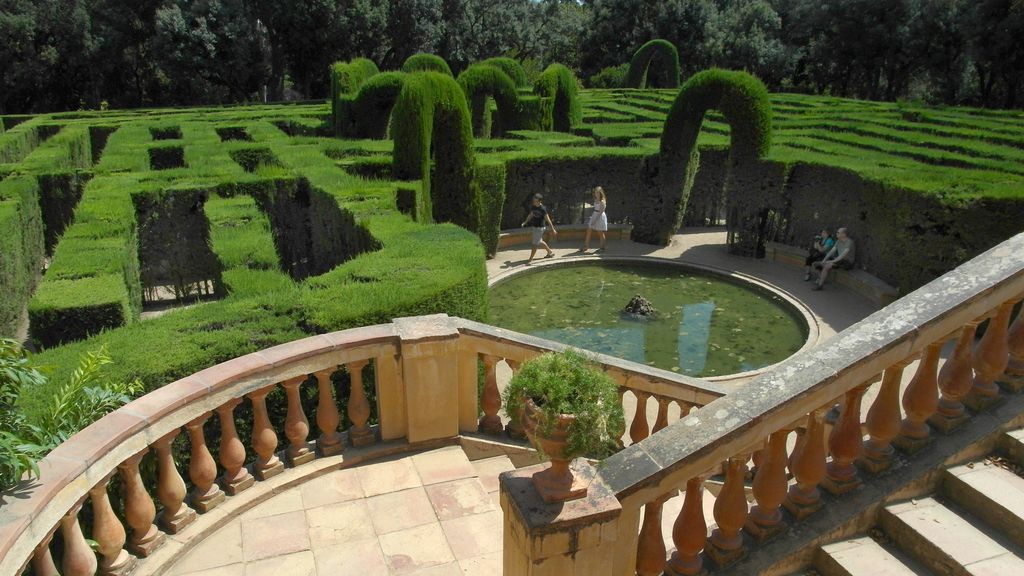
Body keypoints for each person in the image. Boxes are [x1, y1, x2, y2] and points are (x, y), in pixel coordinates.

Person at [522, 193, 557, 264]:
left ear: (539, 201)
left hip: (540, 228)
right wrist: (525, 222)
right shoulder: (533, 206)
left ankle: (530, 259)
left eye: (535, 201)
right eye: (533, 200)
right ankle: (550, 252)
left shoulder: (542, 209)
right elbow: (531, 214)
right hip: (535, 227)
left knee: (535, 244)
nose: (534, 202)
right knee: (539, 241)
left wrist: (553, 229)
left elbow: (548, 220)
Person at [583, 186, 608, 252]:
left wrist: (595, 220)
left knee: (600, 232)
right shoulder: (595, 199)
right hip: (595, 214)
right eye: (595, 192)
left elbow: (600, 212)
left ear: (600, 193)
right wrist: (592, 218)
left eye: (598, 192)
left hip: (600, 217)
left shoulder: (602, 201)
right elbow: (595, 209)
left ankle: (602, 247)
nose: (596, 194)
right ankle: (586, 246)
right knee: (589, 230)